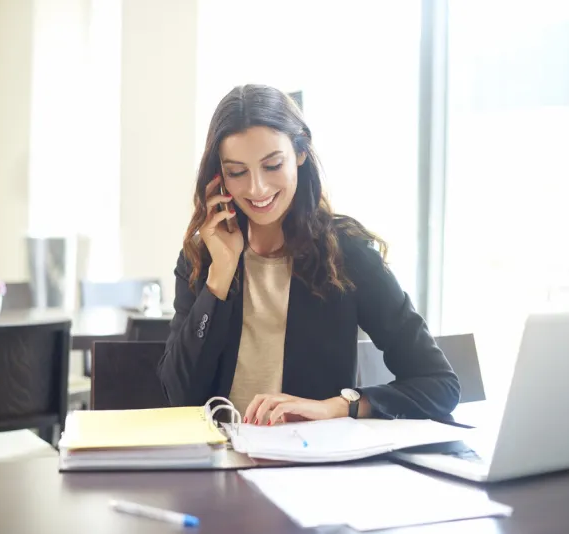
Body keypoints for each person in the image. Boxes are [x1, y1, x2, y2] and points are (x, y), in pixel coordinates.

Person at [158, 84, 460, 425]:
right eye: (238, 172)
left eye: (272, 165)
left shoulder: (346, 253)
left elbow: (439, 384)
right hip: (217, 464)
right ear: (220, 177)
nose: (256, 188)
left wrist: (338, 406)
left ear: (300, 152)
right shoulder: (203, 258)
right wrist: (220, 277)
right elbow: (179, 396)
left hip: (311, 466)